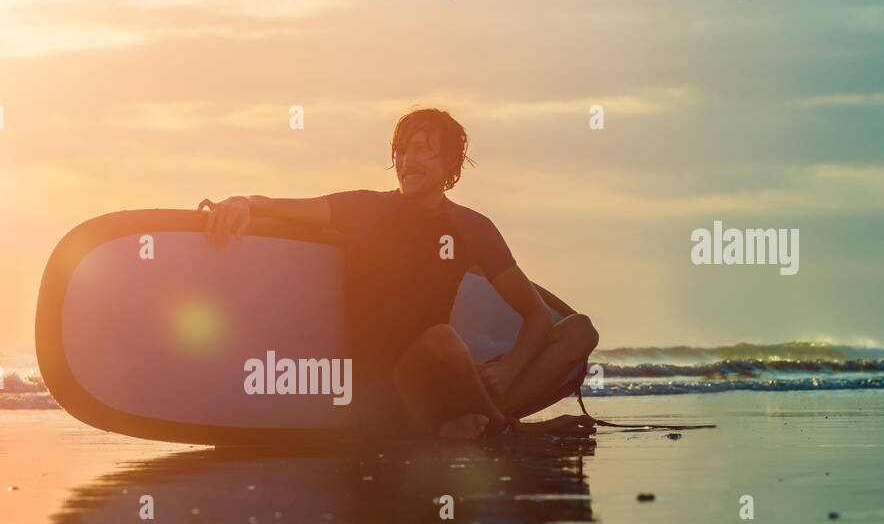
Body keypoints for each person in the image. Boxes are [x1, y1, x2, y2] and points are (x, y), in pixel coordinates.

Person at [203, 108, 598, 438]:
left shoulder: (473, 228)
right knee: (443, 340)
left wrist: (511, 366)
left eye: (423, 151)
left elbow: (536, 314)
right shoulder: (363, 210)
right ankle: (502, 428)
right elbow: (276, 204)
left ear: (450, 163)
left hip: (447, 381)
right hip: (387, 389)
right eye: (402, 151)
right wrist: (242, 201)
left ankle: (483, 423)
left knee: (581, 330)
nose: (408, 161)